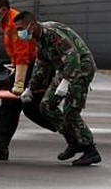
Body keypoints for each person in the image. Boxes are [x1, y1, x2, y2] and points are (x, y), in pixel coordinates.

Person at [15, 11, 102, 166]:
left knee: (71, 111)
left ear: (32, 25)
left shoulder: (52, 34)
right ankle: (73, 141)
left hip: (81, 68)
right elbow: (41, 65)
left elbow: (73, 56)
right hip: (65, 70)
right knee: (46, 106)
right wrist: (30, 88)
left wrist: (66, 82)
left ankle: (90, 150)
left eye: (21, 28)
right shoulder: (39, 38)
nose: (19, 33)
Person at [0, 0, 55, 160]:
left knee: (33, 109)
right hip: (26, 67)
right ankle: (0, 146)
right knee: (9, 107)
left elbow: (23, 55)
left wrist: (19, 83)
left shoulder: (15, 25)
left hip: (34, 68)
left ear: (3, 10)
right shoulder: (6, 22)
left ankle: (73, 134)